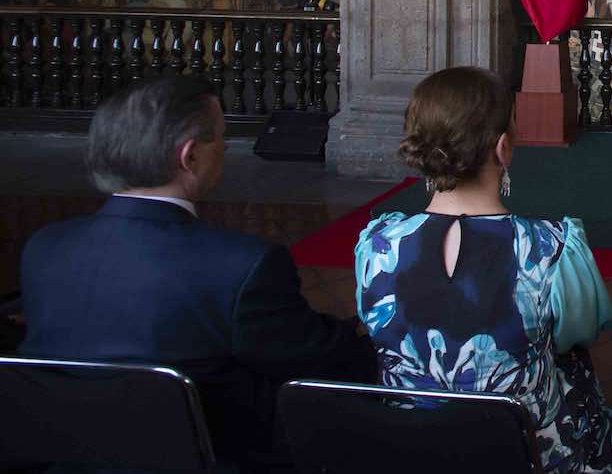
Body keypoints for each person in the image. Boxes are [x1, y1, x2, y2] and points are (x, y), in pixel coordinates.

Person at [20, 75, 374, 466]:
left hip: (61, 454)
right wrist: (372, 330)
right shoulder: (241, 266)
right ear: (189, 157)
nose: (222, 148)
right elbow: (315, 358)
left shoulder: (45, 248)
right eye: (220, 138)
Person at [356, 66, 612, 473]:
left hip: (410, 450)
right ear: (504, 149)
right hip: (524, 455)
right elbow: (580, 332)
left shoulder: (376, 247)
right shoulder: (551, 249)